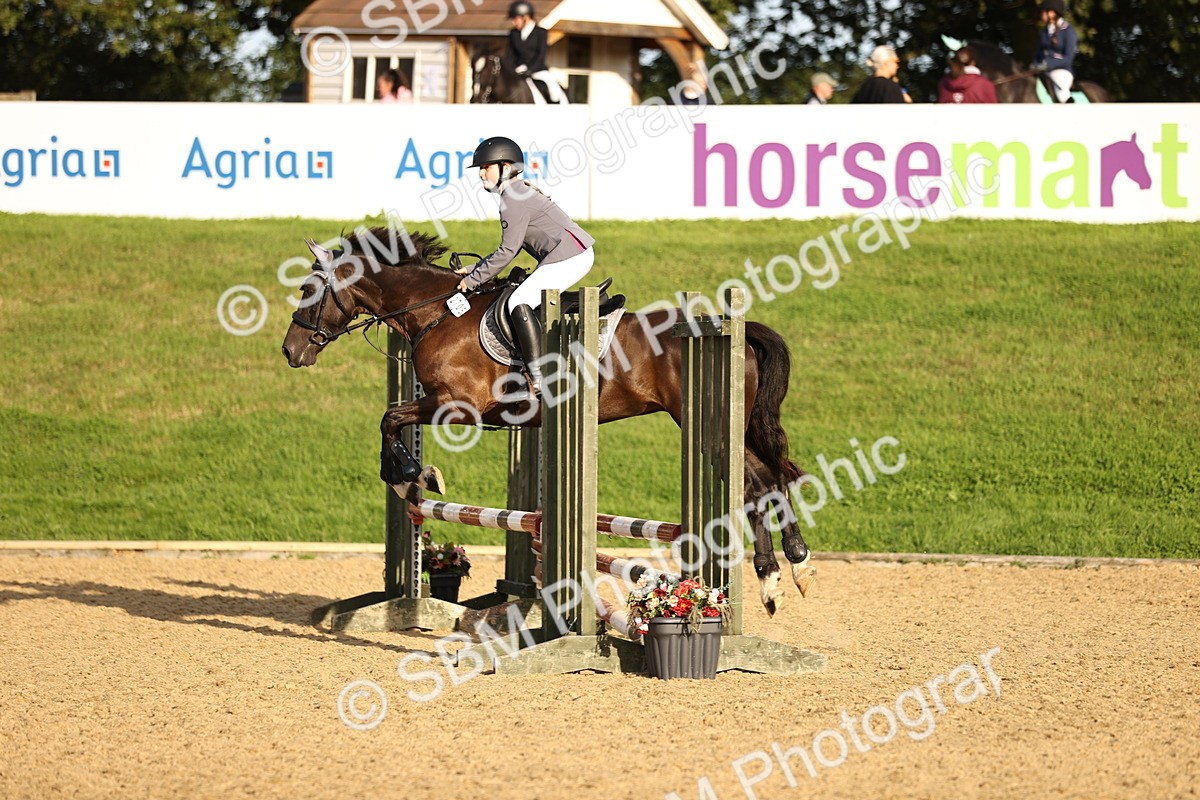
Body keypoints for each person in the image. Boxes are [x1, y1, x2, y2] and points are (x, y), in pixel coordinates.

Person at [455, 136, 595, 394]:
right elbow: (511, 246)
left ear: (505, 168)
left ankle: (540, 376)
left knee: (517, 302)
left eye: (486, 167)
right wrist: (475, 270)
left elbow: (508, 250)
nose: (481, 173)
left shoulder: (513, 198)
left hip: (571, 255)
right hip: (570, 253)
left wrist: (472, 280)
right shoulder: (516, 192)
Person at [504, 1, 568, 105]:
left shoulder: (541, 33)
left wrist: (529, 70)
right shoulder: (513, 33)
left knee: (554, 92)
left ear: (526, 17)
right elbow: (510, 55)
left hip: (538, 71)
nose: (513, 22)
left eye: (515, 19)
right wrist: (512, 69)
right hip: (518, 72)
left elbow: (541, 55)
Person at [1032, 0, 1077, 103]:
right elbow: (1039, 54)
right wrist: (1033, 65)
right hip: (1044, 71)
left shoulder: (1068, 31)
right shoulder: (1044, 32)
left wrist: (1048, 64)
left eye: (1043, 12)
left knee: (1061, 93)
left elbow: (1068, 58)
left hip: (1061, 71)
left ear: (1052, 13)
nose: (1041, 15)